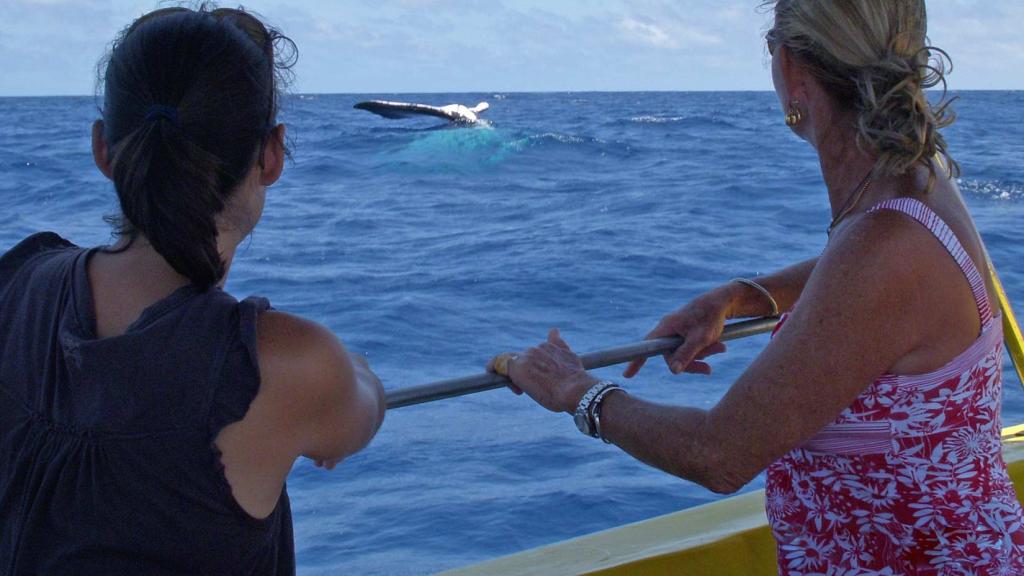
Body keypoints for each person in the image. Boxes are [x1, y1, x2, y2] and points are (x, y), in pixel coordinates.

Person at [491, 0, 1024, 573]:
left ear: (790, 68)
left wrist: (577, 391)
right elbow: (869, 281)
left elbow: (719, 454)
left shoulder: (887, 242)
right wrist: (746, 295)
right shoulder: (911, 184)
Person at [0, 7, 385, 575]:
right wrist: (349, 368)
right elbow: (361, 415)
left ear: (104, 149)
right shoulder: (283, 366)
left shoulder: (21, 279)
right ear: (271, 156)